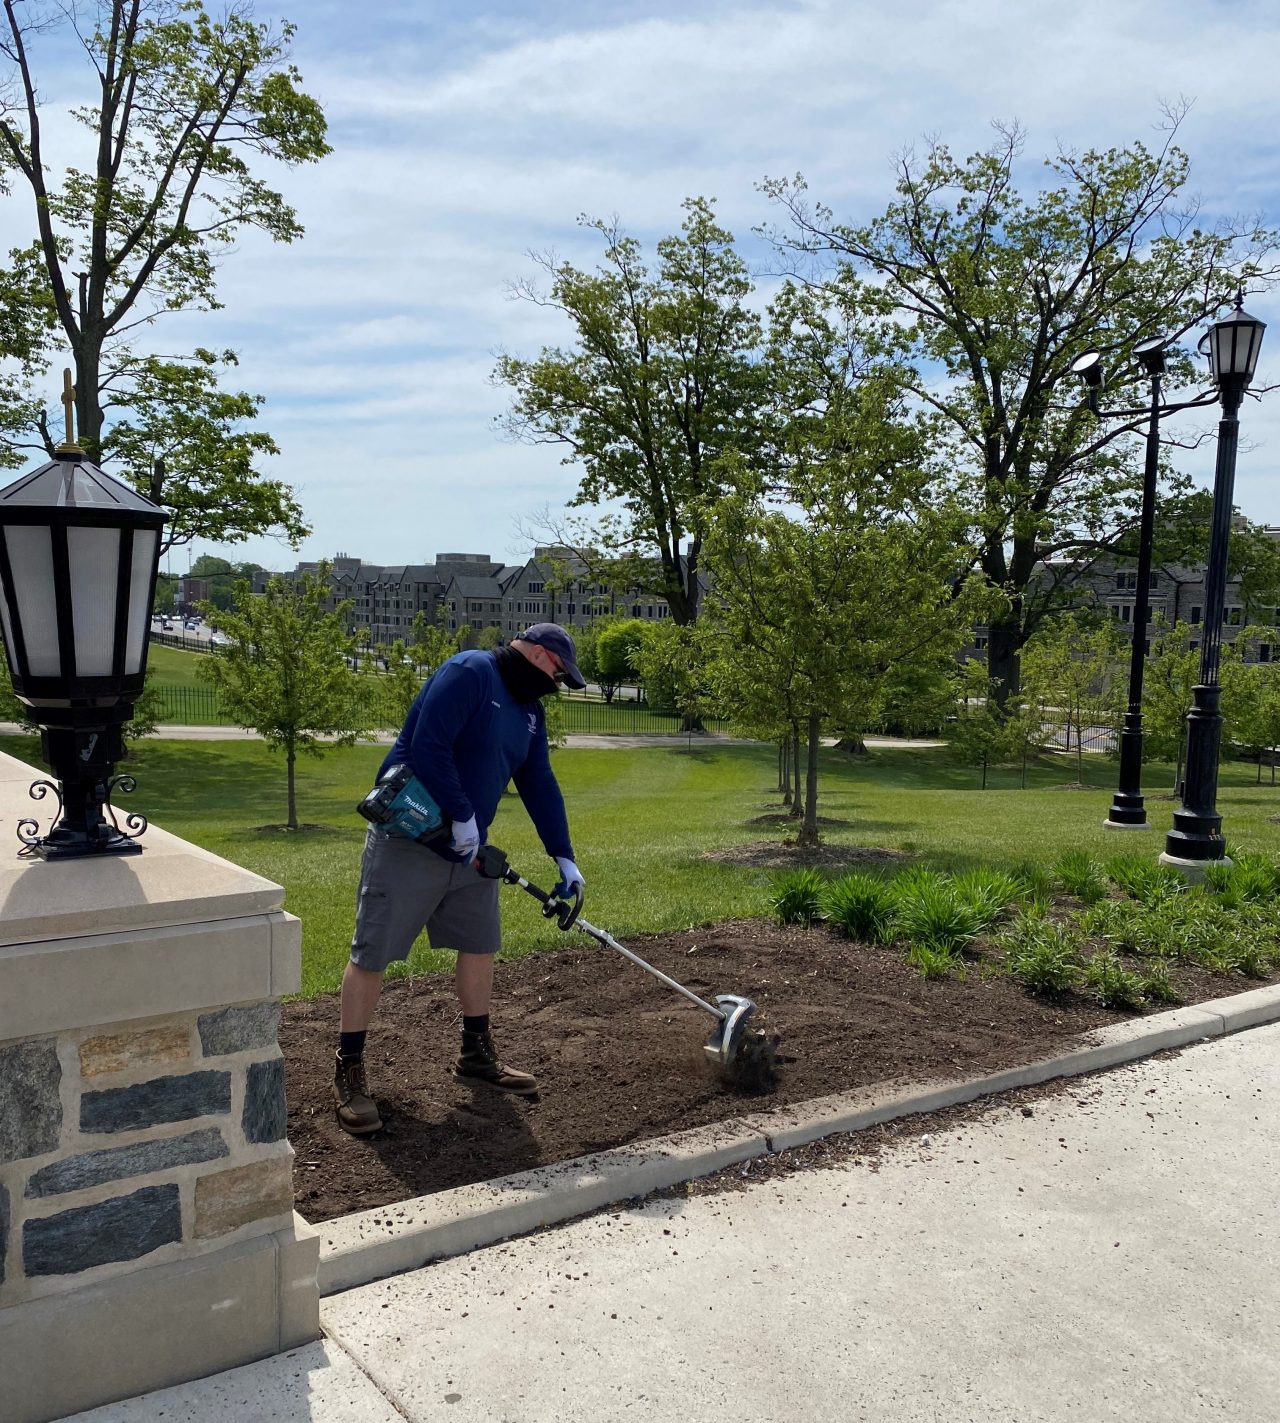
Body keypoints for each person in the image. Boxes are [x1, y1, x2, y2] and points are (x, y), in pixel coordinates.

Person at [332, 623, 587, 1136]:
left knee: (479, 944)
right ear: (540, 655)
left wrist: (563, 856)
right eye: (559, 674)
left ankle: (475, 1055)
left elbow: (538, 779)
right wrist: (463, 813)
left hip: (467, 851)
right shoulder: (471, 671)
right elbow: (429, 745)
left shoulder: (529, 712)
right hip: (412, 836)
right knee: (372, 953)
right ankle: (349, 1068)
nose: (557, 685)